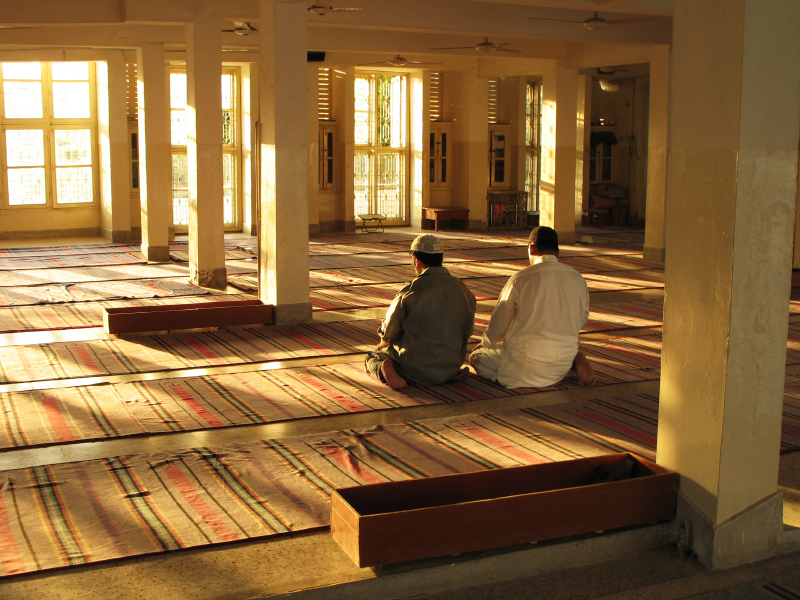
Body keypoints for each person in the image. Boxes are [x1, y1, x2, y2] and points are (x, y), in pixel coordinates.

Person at [469, 226, 596, 388]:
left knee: (477, 357)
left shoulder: (520, 279)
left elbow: (499, 326)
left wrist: (486, 342)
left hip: (524, 366)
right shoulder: (577, 278)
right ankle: (574, 360)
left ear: (531, 248)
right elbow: (582, 319)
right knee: (559, 352)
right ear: (557, 253)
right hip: (562, 362)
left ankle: (526, 376)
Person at [365, 234, 477, 390]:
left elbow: (389, 334)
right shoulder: (464, 290)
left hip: (413, 365)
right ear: (441, 258)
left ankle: (391, 372)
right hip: (449, 366)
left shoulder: (409, 291)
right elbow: (468, 330)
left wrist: (381, 346)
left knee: (373, 357)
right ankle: (434, 372)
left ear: (416, 260)